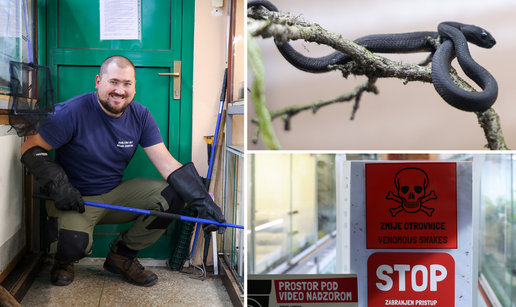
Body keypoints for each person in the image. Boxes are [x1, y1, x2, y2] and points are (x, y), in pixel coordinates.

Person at [20, 55, 225, 287]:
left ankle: (121, 257)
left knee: (174, 196)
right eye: (113, 82)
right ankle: (64, 261)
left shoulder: (141, 115)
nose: (120, 91)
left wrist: (203, 203)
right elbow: (30, 149)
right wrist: (59, 185)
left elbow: (167, 164)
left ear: (134, 87)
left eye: (127, 84)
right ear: (98, 81)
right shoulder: (71, 112)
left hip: (113, 195)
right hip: (73, 199)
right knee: (70, 245)